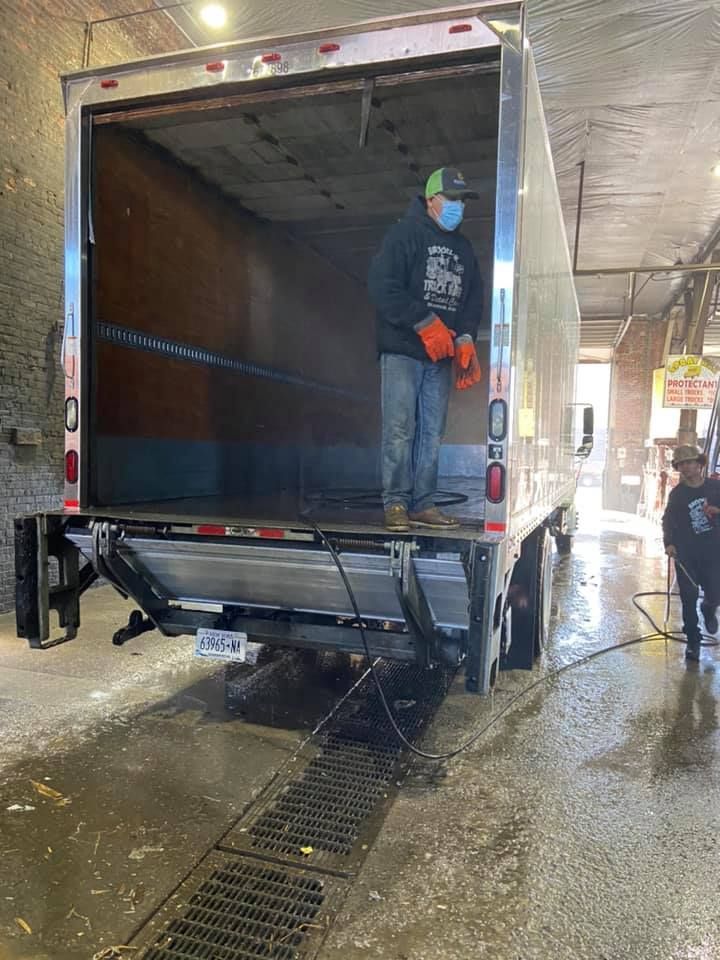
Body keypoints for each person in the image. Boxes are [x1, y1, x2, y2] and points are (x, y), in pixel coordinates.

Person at [368, 168, 483, 533]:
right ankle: (396, 503)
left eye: (462, 201)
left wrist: (465, 337)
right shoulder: (405, 233)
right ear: (431, 199)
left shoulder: (463, 249)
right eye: (452, 200)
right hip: (402, 351)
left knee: (432, 432)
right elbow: (382, 287)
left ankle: (424, 504)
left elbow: (473, 299)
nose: (458, 208)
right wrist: (423, 320)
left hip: (439, 356)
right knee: (400, 429)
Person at [662, 444, 720, 661]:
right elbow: (668, 520)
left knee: (715, 591)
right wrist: (669, 543)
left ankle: (708, 608)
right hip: (686, 553)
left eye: (689, 462)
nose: (685, 468)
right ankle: (693, 642)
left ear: (699, 464)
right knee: (688, 596)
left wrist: (717, 511)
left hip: (714, 551)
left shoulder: (716, 488)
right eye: (681, 464)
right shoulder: (677, 494)